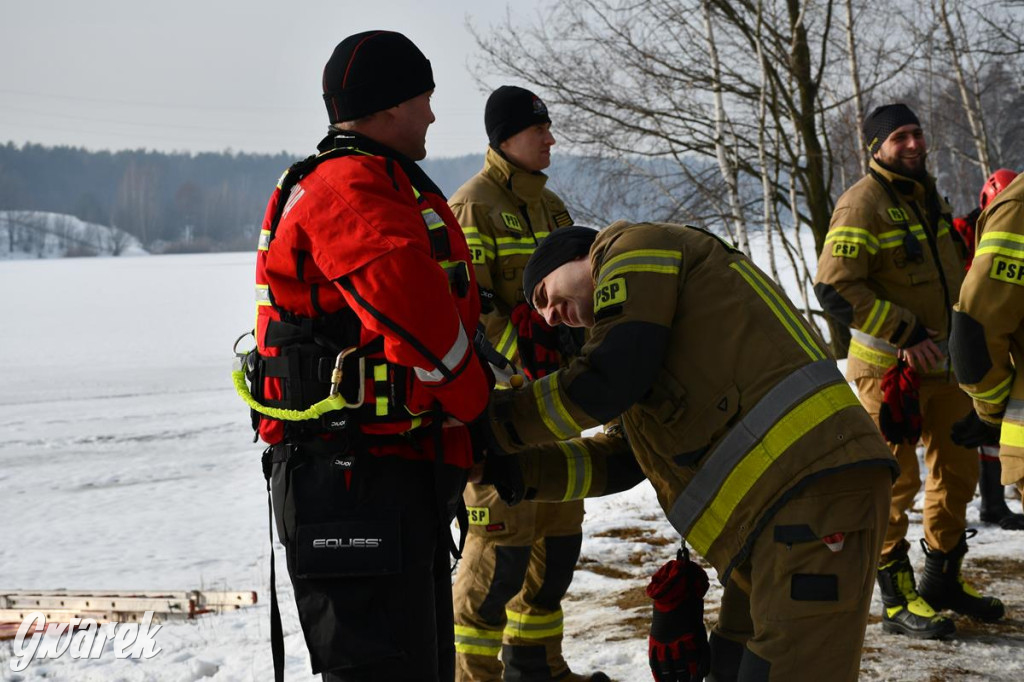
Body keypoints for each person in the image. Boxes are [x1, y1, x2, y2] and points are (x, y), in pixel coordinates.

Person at [475, 221, 897, 681]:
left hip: (814, 491)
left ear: (578, 256)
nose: (549, 317)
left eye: (543, 295)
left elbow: (604, 378)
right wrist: (513, 468)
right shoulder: (642, 336)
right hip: (771, 515)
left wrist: (494, 422)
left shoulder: (633, 246)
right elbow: (622, 459)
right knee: (730, 667)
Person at [245, 31, 491, 682]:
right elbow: (422, 323)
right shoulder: (350, 190)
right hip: (352, 481)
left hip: (375, 474)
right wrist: (477, 407)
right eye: (425, 100)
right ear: (386, 108)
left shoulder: (366, 181)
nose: (433, 115)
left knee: (421, 664)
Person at [813, 103, 1005, 640]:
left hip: (945, 370)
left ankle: (942, 579)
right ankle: (896, 601)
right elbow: (834, 287)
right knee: (891, 484)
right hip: (887, 374)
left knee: (959, 472)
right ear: (874, 148)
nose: (915, 144)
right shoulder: (861, 204)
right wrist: (905, 334)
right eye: (900, 137)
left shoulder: (928, 197)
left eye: (917, 133)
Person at [448, 85, 603, 682]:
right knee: (498, 562)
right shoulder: (471, 208)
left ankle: (537, 667)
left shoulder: (554, 208)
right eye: (539, 129)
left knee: (557, 549)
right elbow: (473, 311)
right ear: (505, 137)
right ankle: (473, 675)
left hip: (558, 407)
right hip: (506, 410)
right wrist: (528, 360)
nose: (550, 138)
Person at [949, 168, 1024, 530]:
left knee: (994, 433)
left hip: (987, 351)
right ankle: (991, 504)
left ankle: (994, 505)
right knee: (986, 433)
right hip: (968, 352)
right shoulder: (964, 236)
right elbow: (974, 313)